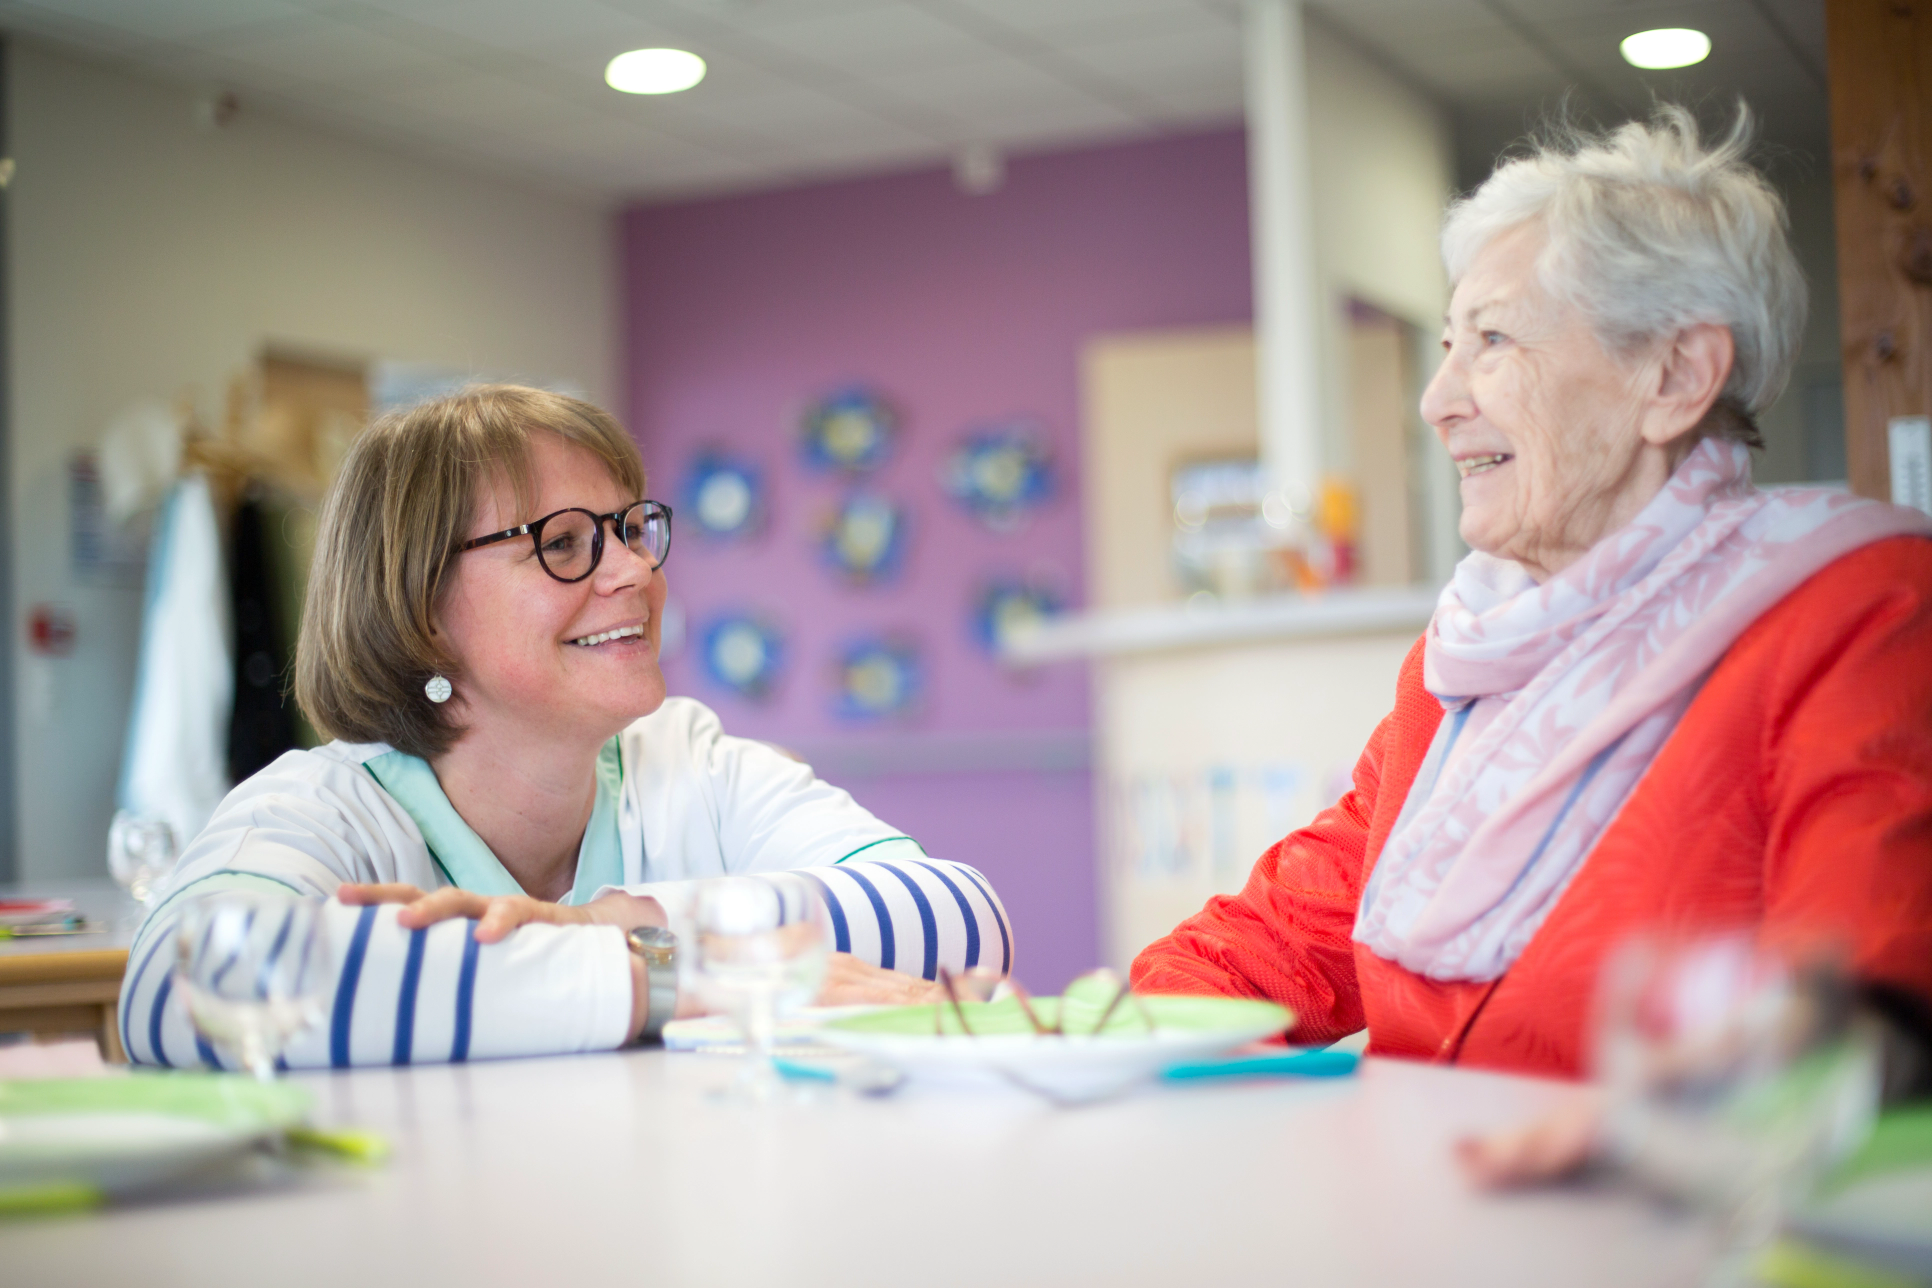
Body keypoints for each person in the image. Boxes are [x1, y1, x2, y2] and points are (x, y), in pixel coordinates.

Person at [1132, 106, 1932, 1079]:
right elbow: (1291, 931)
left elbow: (1867, 1022)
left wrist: (1638, 1143)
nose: (1438, 400)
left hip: (1680, 1214)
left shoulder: (1855, 610)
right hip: (1431, 1205)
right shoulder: (1467, 653)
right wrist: (1060, 1035)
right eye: (1447, 346)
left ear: (1675, 375)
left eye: (1495, 340)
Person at [121, 386, 1012, 1068]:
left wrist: (628, 923)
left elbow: (961, 917)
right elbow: (188, 980)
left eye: (629, 529)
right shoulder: (318, 809)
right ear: (419, 606)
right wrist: (668, 978)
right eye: (564, 542)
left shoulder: (689, 764)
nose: (633, 570)